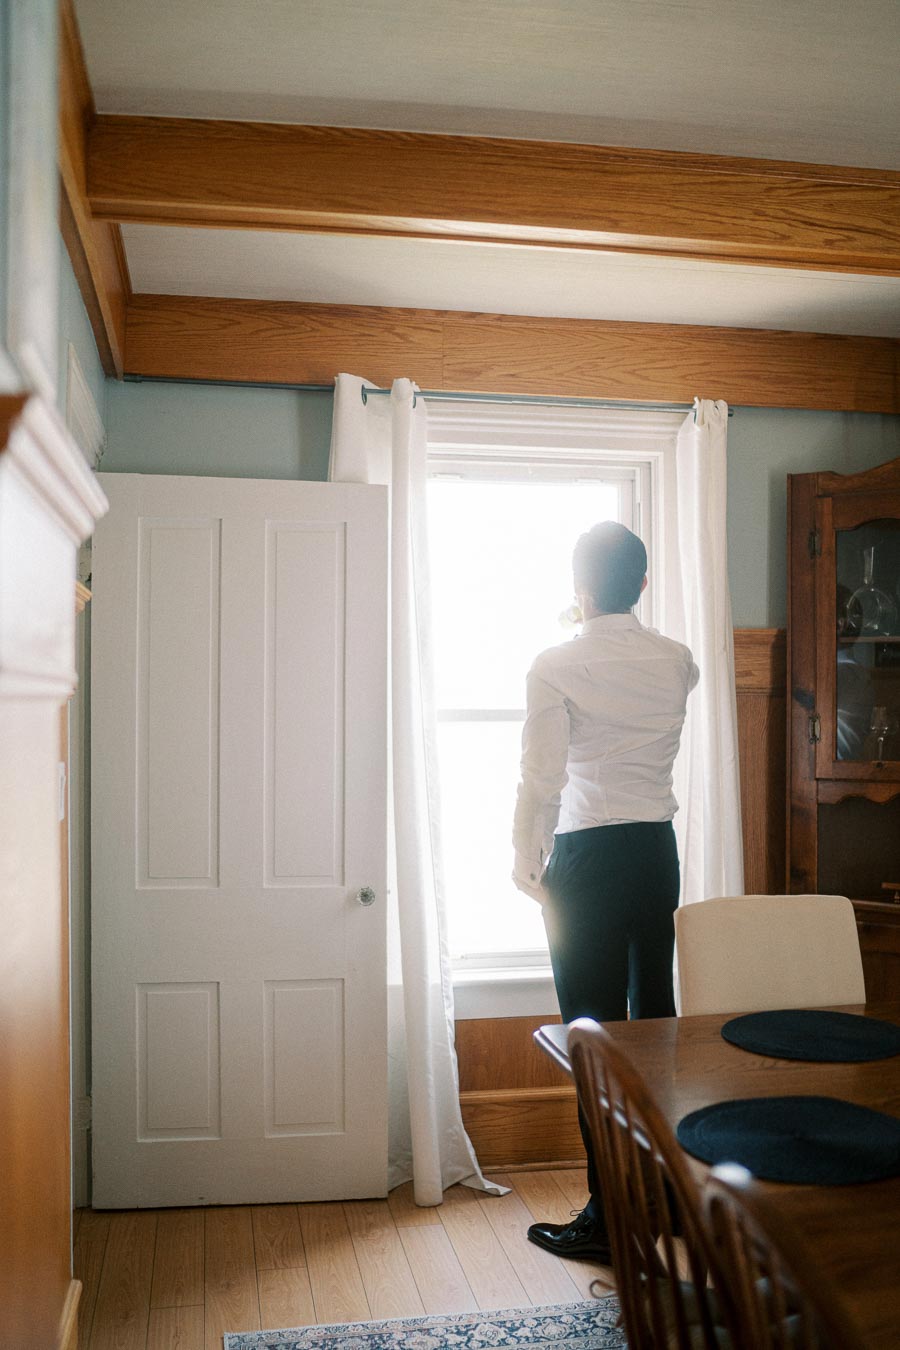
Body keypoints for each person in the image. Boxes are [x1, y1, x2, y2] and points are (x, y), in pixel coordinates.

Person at [512, 520, 698, 1261]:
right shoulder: (679, 661)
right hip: (656, 852)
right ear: (645, 586)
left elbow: (543, 778)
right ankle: (667, 1196)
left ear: (579, 589)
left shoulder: (554, 664)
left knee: (590, 1038)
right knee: (655, 1027)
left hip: (586, 858)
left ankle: (609, 1212)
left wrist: (527, 859)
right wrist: (593, 615)